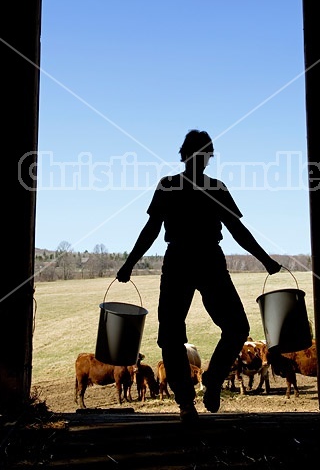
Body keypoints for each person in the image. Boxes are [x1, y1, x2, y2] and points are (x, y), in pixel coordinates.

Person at [117, 129, 282, 424]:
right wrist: (265, 260)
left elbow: (153, 229)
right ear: (204, 157)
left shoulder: (171, 186)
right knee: (230, 327)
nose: (200, 159)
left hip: (183, 260)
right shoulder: (213, 188)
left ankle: (196, 394)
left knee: (174, 334)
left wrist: (130, 264)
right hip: (205, 260)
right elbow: (235, 230)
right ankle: (202, 389)